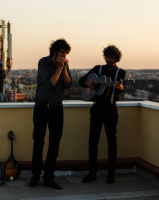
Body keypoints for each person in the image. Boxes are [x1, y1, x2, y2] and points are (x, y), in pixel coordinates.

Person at [79, 45, 126, 184]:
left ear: (116, 58)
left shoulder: (120, 73)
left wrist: (121, 87)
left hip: (111, 109)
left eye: (111, 57)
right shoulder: (97, 69)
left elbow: (121, 87)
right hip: (97, 109)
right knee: (93, 142)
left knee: (112, 142)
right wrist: (89, 83)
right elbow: (82, 81)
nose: (109, 59)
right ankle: (92, 173)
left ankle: (111, 174)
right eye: (107, 56)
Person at [29, 39, 72, 190]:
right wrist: (59, 67)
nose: (64, 55)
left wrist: (64, 68)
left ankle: (49, 178)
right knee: (38, 143)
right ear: (54, 52)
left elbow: (67, 84)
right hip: (41, 107)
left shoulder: (64, 65)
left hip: (57, 108)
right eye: (61, 52)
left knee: (54, 145)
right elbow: (51, 83)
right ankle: (35, 176)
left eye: (65, 53)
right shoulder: (43, 63)